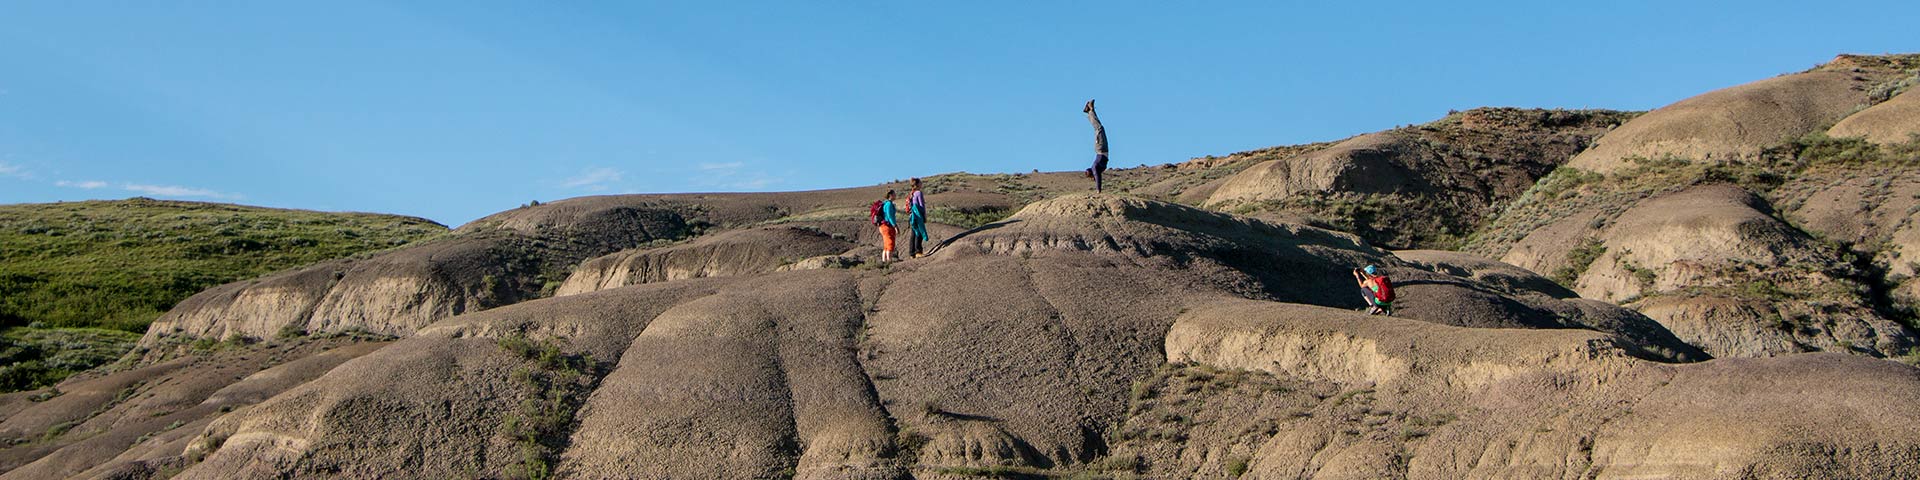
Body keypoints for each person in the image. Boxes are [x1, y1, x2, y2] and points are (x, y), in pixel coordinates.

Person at [1083, 99, 1109, 192]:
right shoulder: (1097, 169)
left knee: (1099, 128)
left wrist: (1098, 190)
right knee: (1099, 128)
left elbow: (1098, 178)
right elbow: (1098, 177)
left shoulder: (1095, 168)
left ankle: (1090, 110)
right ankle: (1090, 111)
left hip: (1100, 149)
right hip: (1102, 149)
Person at [907, 178, 929, 258]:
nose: (921, 184)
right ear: (917, 184)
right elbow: (921, 205)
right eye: (920, 183)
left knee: (913, 233)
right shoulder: (919, 193)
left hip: (912, 216)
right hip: (918, 216)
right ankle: (918, 251)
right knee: (919, 233)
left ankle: (911, 253)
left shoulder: (911, 193)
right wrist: (924, 215)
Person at [876, 190, 899, 263]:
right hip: (887, 226)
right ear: (890, 195)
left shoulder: (885, 204)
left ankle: (884, 260)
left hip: (883, 226)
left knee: (886, 243)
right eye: (894, 194)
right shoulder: (889, 204)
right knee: (890, 242)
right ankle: (889, 260)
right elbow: (890, 216)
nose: (895, 195)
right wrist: (895, 226)